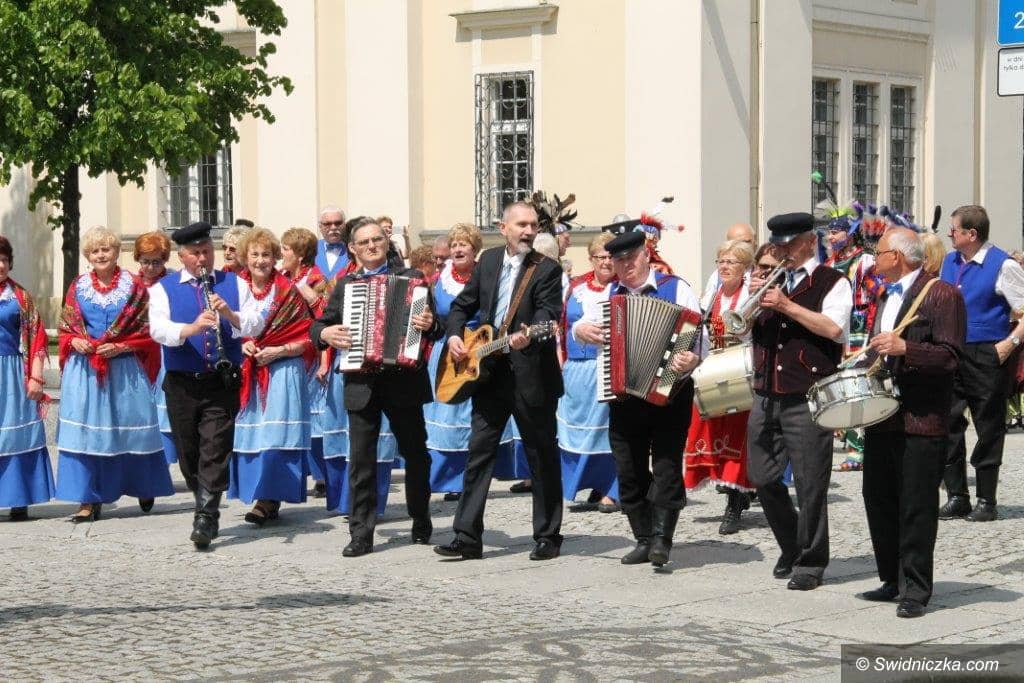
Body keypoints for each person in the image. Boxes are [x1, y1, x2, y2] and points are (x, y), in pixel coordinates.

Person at [434, 201, 565, 561]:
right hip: (489, 374)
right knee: (478, 453)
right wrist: (455, 335)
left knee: (541, 454)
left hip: (531, 375)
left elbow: (548, 313)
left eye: (533, 225)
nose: (528, 231)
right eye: (521, 224)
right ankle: (466, 536)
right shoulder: (489, 261)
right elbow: (462, 305)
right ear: (503, 228)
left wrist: (530, 334)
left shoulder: (547, 269)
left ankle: (548, 535)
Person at [573, 229, 705, 567]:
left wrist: (691, 360)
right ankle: (643, 538)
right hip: (624, 395)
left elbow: (697, 340)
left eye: (631, 258)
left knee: (666, 466)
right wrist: (580, 331)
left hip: (670, 393)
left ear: (646, 255)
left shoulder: (676, 288)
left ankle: (662, 539)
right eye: (619, 260)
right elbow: (579, 325)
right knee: (628, 469)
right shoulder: (608, 296)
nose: (626, 265)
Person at [312, 217, 442, 557]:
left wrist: (429, 324)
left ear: (386, 242)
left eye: (377, 240)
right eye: (364, 242)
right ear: (353, 248)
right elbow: (319, 326)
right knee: (362, 461)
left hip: (404, 381)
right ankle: (361, 533)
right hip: (361, 382)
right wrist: (326, 334)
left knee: (416, 454)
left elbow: (436, 327)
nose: (371, 246)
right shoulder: (346, 285)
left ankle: (420, 517)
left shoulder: (412, 278)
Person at [857, 228, 965, 619]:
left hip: (921, 418)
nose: (874, 258)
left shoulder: (942, 293)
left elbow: (951, 356)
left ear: (897, 257)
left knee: (917, 506)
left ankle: (916, 588)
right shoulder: (886, 295)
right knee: (878, 499)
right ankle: (891, 578)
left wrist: (907, 348)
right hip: (882, 416)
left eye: (879, 252)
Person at [746, 212, 852, 590]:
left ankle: (810, 561)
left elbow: (834, 329)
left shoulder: (833, 281)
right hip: (766, 393)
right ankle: (792, 544)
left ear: (809, 241)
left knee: (810, 484)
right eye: (777, 244)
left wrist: (786, 305)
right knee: (761, 476)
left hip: (808, 394)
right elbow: (741, 329)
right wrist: (751, 300)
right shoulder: (771, 280)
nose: (782, 251)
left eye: (788, 244)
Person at [148, 221, 266, 548]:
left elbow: (256, 323)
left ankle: (206, 516)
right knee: (189, 455)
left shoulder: (235, 283)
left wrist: (230, 314)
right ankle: (203, 501)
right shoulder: (163, 289)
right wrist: (190, 329)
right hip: (182, 383)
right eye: (195, 253)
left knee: (215, 447)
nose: (202, 258)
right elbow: (158, 329)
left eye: (206, 251)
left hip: (221, 381)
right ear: (182, 256)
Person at [56, 226, 173, 522]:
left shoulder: (134, 286)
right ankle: (88, 498)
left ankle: (143, 484)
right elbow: (67, 325)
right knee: (87, 433)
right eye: (95, 250)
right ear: (87, 255)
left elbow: (148, 329)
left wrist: (122, 346)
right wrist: (75, 341)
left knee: (131, 428)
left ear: (116, 251)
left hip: (124, 367)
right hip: (86, 369)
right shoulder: (78, 286)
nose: (101, 255)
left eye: (106, 249)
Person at [938, 205, 1024, 522]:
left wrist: (1009, 344)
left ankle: (986, 500)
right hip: (952, 352)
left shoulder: (1003, 265)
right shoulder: (950, 261)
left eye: (954, 230)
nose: (949, 234)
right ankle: (957, 496)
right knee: (947, 421)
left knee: (988, 425)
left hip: (987, 353)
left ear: (971, 234)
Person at [229, 228, 315, 525]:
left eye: (266, 254)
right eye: (254, 254)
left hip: (283, 368)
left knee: (277, 436)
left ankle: (269, 498)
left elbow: (308, 336)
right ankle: (257, 492)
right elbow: (223, 328)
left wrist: (279, 350)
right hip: (248, 371)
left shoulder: (287, 291)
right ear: (245, 257)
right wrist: (242, 344)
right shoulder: (235, 288)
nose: (260, 260)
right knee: (252, 434)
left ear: (275, 257)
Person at [684, 238, 756, 535]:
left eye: (731, 262)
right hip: (712, 369)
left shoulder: (750, 294)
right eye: (721, 261)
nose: (725, 267)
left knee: (737, 436)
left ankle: (735, 503)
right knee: (706, 431)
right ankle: (729, 489)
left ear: (745, 267)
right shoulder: (712, 293)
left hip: (738, 370)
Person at [559, 232, 618, 513]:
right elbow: (561, 325)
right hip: (576, 370)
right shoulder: (576, 286)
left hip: (608, 367)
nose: (606, 262)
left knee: (609, 431)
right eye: (600, 256)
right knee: (577, 430)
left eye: (611, 256)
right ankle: (592, 484)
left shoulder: (622, 288)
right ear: (591, 258)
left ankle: (613, 489)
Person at [0, 236, 54, 521]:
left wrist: (36, 377)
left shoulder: (21, 297)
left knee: (15, 434)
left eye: (3, 260)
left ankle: (18, 497)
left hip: (12, 375)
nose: (0, 265)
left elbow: (37, 338)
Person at [281, 227, 331, 498]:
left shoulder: (316, 279)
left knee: (316, 418)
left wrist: (324, 361)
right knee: (297, 416)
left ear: (299, 255)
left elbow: (325, 320)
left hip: (311, 355)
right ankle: (304, 472)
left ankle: (324, 475)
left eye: (286, 249)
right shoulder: (284, 277)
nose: (282, 254)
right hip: (290, 355)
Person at [824, 212, 877, 472]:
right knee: (837, 382)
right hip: (835, 327)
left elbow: (876, 294)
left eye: (835, 232)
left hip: (858, 327)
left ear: (850, 233)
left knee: (856, 384)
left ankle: (858, 450)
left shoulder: (865, 261)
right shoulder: (830, 263)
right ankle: (847, 436)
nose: (830, 237)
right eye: (829, 232)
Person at [134, 231, 178, 466]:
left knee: (164, 404)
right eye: (146, 261)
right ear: (138, 259)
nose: (151, 267)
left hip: (164, 350)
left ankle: (165, 459)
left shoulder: (173, 281)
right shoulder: (131, 284)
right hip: (138, 350)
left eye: (157, 262)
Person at [702, 223, 756, 297]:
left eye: (746, 242)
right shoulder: (718, 277)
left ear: (755, 242)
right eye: (736, 243)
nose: (743, 247)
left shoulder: (764, 271)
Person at [315, 205, 351, 279]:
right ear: (320, 227)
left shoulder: (353, 249)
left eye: (338, 223)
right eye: (327, 224)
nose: (333, 227)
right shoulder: (311, 249)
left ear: (344, 225)